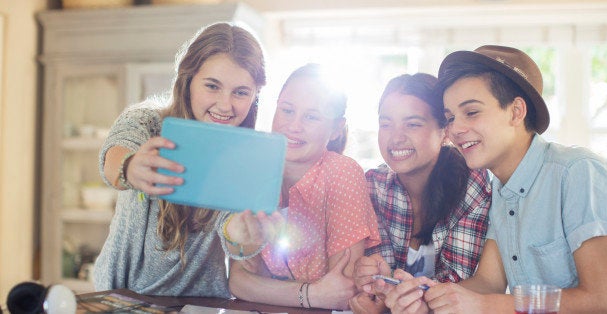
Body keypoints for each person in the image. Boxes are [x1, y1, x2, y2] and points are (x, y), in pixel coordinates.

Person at [384, 45, 607, 313]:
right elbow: (488, 282)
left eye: (472, 112)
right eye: (450, 117)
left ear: (516, 112)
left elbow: (597, 301)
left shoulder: (578, 172)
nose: (456, 129)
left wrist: (482, 305)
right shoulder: (501, 189)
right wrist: (420, 295)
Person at [94, 22, 280, 297]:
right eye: (212, 86)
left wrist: (242, 235)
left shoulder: (244, 158)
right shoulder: (146, 121)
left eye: (240, 92)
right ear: (188, 80)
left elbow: (231, 233)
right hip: (122, 298)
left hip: (199, 304)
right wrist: (131, 167)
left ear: (254, 96)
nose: (225, 105)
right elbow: (113, 159)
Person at [228, 63, 381, 310]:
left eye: (311, 116)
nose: (294, 126)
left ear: (335, 130)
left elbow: (342, 290)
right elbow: (238, 281)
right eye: (287, 110)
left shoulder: (342, 172)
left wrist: (267, 289)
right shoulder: (254, 170)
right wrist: (312, 294)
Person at [348, 73, 492, 314]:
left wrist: (393, 291)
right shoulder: (373, 185)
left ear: (445, 131)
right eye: (386, 124)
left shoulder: (471, 183)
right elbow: (381, 280)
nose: (395, 138)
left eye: (412, 124)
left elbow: (457, 283)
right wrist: (370, 277)